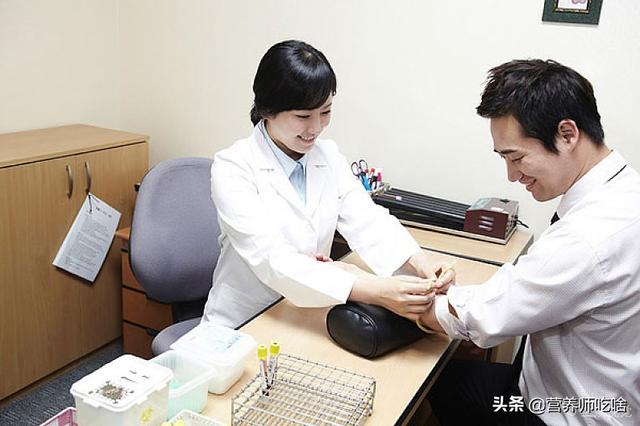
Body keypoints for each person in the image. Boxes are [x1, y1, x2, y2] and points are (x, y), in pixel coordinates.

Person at [421, 59, 640, 425]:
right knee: (455, 378)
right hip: (596, 393)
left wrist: (396, 297)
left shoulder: (587, 238)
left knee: (440, 380)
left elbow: (481, 318)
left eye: (517, 157)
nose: (511, 175)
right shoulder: (625, 190)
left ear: (567, 134)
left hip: (568, 412)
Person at [201, 40, 452, 329]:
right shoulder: (233, 167)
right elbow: (272, 259)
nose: (316, 128)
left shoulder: (328, 156)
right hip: (243, 321)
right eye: (303, 116)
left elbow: (368, 221)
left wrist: (420, 262)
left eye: (326, 112)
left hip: (303, 315)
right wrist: (373, 289)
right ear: (267, 109)